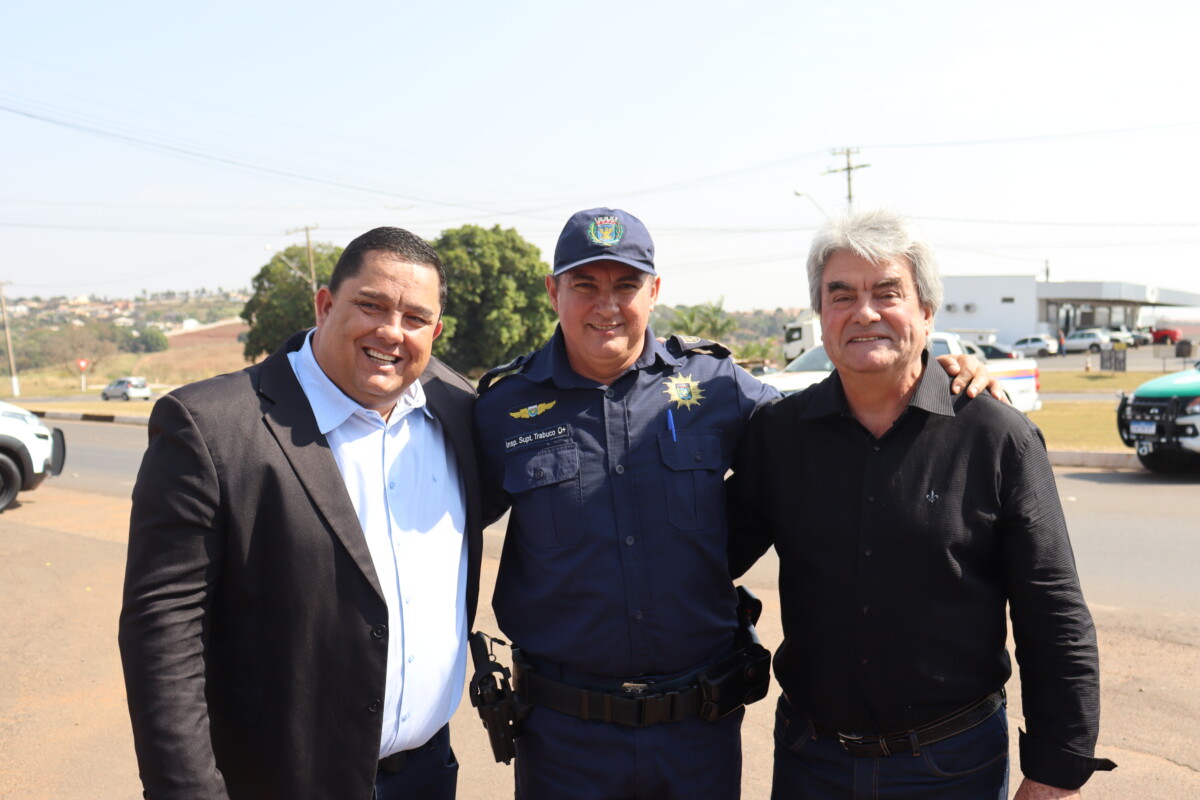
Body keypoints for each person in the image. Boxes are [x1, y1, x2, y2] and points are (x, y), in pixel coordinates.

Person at [473, 208, 999, 800]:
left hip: (696, 734)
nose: (607, 305)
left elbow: (832, 419)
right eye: (585, 285)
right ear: (553, 291)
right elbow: (446, 539)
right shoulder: (502, 408)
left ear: (655, 290)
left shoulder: (714, 384)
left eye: (626, 285)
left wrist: (932, 372)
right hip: (563, 738)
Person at [727, 207, 1116, 800]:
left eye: (888, 293)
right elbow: (705, 556)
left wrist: (1055, 773)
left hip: (953, 768)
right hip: (811, 763)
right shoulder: (779, 436)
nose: (864, 312)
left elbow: (1053, 613)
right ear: (821, 318)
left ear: (927, 312)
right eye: (841, 296)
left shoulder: (996, 436)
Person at [118, 227, 484, 800]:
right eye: (371, 305)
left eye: (415, 318)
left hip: (428, 775)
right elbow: (163, 635)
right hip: (281, 782)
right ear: (325, 304)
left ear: (435, 332)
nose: (392, 331)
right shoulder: (211, 428)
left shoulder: (457, 408)